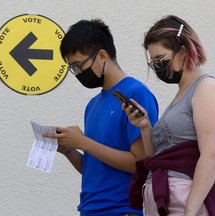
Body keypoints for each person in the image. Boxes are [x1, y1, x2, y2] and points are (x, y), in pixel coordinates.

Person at [43, 18, 158, 216]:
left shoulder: (136, 94)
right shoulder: (93, 105)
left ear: (102, 56)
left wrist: (84, 142)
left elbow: (141, 165)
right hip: (89, 209)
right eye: (73, 68)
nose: (78, 73)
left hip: (122, 210)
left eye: (79, 65)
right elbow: (97, 170)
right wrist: (70, 151)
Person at [123, 15, 215, 216]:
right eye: (153, 62)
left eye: (161, 60)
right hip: (167, 201)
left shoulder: (207, 88)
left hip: (188, 203)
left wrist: (190, 210)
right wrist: (145, 126)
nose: (157, 67)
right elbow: (157, 157)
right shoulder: (182, 94)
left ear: (183, 51)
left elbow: (212, 156)